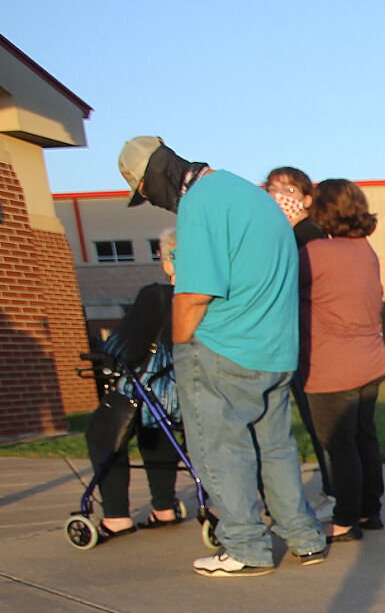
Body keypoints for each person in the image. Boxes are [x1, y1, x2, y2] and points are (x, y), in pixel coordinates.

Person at [118, 134, 327, 575]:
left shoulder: (200, 203)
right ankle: (305, 538)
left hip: (223, 347)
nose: (153, 202)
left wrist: (179, 347)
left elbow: (193, 293)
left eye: (144, 192)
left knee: (221, 449)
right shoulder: (251, 196)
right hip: (276, 349)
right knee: (275, 447)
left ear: (155, 175)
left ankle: (246, 547)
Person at [300, 180, 385, 542]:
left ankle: (344, 521)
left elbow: (278, 284)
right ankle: (370, 511)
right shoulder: (364, 250)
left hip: (333, 367)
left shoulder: (315, 253)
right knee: (363, 440)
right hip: (370, 361)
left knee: (341, 447)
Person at [86, 228, 183, 539]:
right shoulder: (208, 299)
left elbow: (121, 348)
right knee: (158, 427)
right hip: (183, 394)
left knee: (102, 433)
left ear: (169, 260)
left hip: (149, 389)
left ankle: (116, 516)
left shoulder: (155, 296)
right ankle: (164, 506)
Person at [265, 166, 330, 508]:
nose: (278, 197)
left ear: (306, 199)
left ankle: (336, 492)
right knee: (313, 422)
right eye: (272, 189)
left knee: (322, 425)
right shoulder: (284, 236)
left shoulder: (308, 236)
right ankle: (335, 489)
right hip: (296, 342)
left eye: (287, 191)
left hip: (311, 344)